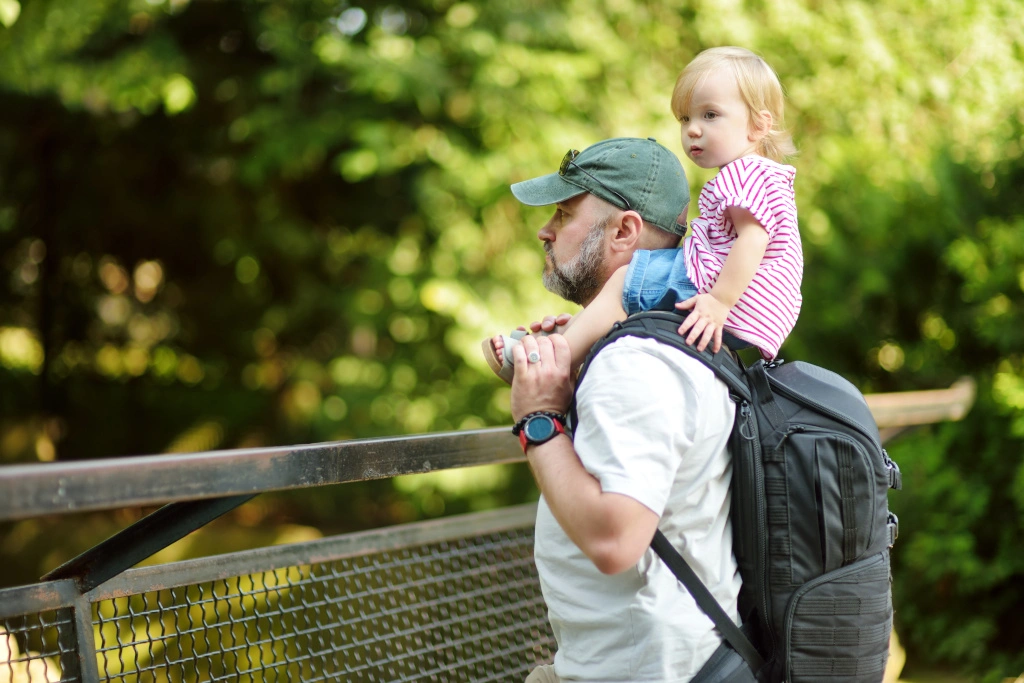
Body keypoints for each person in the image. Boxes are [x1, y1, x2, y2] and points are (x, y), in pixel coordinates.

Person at [505, 136, 742, 682]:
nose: (545, 231)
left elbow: (615, 541)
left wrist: (538, 420)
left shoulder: (635, 364)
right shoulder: (674, 341)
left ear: (625, 231)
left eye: (565, 214)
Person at [483, 46, 801, 384]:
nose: (693, 129)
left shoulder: (744, 173)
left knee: (626, 281)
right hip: (757, 307)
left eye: (710, 115)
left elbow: (754, 239)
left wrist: (720, 302)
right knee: (635, 292)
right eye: (685, 119)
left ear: (758, 125)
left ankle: (549, 365)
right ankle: (570, 338)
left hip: (733, 295)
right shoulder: (766, 175)